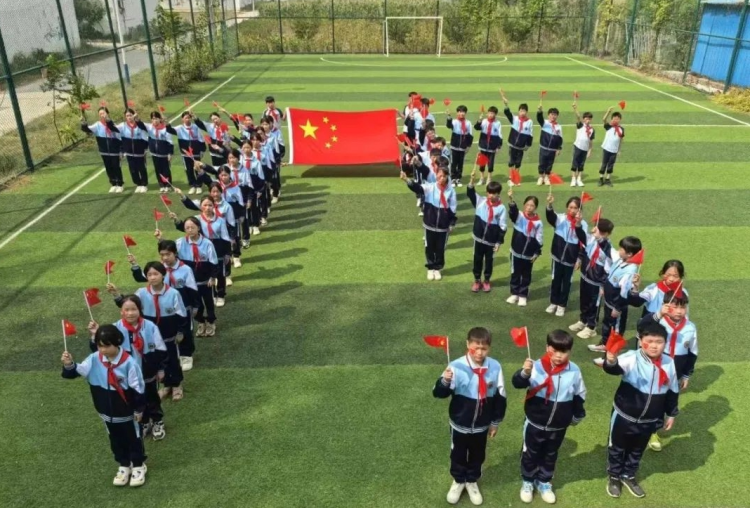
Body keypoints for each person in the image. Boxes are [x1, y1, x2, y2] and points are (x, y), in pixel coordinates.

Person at [61, 325, 147, 487]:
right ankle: (124, 464)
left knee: (133, 438)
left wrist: (139, 409)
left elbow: (138, 388)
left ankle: (138, 465)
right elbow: (77, 371)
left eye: (107, 346)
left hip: (127, 413)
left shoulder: (129, 363)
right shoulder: (94, 359)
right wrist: (69, 364)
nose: (103, 350)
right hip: (106, 412)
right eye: (100, 346)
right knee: (115, 439)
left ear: (117, 343)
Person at [602, 320, 679, 499]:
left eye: (659, 342)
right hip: (624, 417)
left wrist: (671, 413)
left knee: (637, 450)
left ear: (665, 343)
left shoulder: (669, 362)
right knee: (617, 448)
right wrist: (611, 361)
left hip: (649, 419)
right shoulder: (632, 358)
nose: (654, 346)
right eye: (649, 341)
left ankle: (628, 475)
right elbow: (614, 369)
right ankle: (614, 476)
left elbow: (672, 390)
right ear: (640, 340)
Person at [433, 327, 507, 506]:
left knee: (478, 454)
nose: (479, 353)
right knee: (457, 453)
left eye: (484, 348)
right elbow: (438, 393)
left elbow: (500, 397)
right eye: (476, 348)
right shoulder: (455, 366)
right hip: (459, 423)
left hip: (482, 425)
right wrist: (445, 381)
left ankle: (472, 480)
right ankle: (459, 480)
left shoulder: (495, 367)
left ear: (489, 348)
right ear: (468, 344)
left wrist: (495, 422)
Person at [512, 330, 586, 504]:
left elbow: (579, 395)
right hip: (534, 423)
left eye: (564, 351)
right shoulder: (535, 367)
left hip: (558, 426)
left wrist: (577, 415)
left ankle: (544, 481)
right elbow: (517, 383)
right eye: (554, 350)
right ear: (547, 348)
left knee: (551, 454)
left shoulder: (574, 370)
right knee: (530, 453)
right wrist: (524, 373)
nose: (559, 355)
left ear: (570, 351)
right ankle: (528, 481)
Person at [88, 295, 168, 440]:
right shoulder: (115, 329)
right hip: (127, 375)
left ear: (140, 310)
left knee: (152, 397)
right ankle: (144, 422)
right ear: (121, 311)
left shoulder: (150, 327)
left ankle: (157, 421)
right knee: (136, 400)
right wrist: (96, 335)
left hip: (148, 372)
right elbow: (101, 351)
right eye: (126, 310)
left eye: (133, 309)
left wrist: (161, 368)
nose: (130, 313)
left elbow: (160, 349)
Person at [107, 262, 188, 401]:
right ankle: (166, 385)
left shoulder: (173, 293)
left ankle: (176, 384)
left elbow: (181, 314)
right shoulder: (141, 293)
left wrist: (181, 331)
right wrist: (116, 294)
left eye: (155, 274)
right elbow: (128, 305)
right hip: (149, 335)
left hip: (169, 335)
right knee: (157, 360)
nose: (152, 277)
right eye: (149, 274)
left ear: (163, 275)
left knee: (172, 359)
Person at [636, 290, 697, 452]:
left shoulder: (690, 328)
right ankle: (636, 423)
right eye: (674, 307)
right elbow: (641, 326)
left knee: (661, 402)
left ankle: (653, 432)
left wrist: (686, 374)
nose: (679, 311)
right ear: (665, 306)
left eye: (682, 307)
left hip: (673, 374)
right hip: (651, 370)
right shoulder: (658, 323)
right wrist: (658, 314)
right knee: (644, 397)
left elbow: (692, 353)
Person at [127, 241, 200, 372]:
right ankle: (168, 357)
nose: (165, 258)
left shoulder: (185, 269)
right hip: (163, 306)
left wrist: (195, 305)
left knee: (185, 330)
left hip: (183, 306)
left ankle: (186, 355)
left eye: (168, 254)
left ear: (175, 253)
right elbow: (141, 278)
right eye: (162, 255)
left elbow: (192, 288)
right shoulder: (158, 269)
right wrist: (134, 264)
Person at [156, 217, 219, 338]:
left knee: (208, 302)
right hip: (189, 282)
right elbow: (169, 250)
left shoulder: (207, 243)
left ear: (198, 228)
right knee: (195, 304)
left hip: (205, 281)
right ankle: (201, 322)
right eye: (187, 228)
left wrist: (212, 277)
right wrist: (160, 239)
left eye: (192, 227)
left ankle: (211, 322)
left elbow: (214, 261)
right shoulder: (180, 243)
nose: (190, 230)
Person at [589, 236, 643, 359]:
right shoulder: (621, 260)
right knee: (607, 325)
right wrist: (601, 239)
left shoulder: (630, 271)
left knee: (616, 331)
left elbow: (624, 293)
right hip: (609, 303)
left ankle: (610, 357)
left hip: (616, 307)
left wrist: (617, 308)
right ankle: (604, 344)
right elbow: (609, 251)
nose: (619, 250)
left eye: (622, 249)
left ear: (629, 254)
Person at [400, 167, 457, 281]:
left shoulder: (451, 191)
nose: (442, 178)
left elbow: (453, 209)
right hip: (429, 224)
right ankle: (430, 268)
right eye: (440, 175)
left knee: (440, 249)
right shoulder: (430, 187)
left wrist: (451, 223)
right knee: (429, 247)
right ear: (436, 175)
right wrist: (407, 180)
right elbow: (418, 188)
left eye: (444, 176)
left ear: (447, 177)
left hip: (443, 227)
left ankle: (437, 268)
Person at [570, 218, 614, 339]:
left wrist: (603, 285)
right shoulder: (591, 239)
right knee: (584, 300)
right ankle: (583, 320)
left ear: (607, 233)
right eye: (597, 229)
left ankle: (591, 327)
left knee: (594, 304)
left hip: (597, 282)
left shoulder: (608, 249)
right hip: (585, 277)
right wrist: (578, 223)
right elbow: (580, 235)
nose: (596, 232)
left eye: (600, 231)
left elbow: (608, 270)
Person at [545, 195, 587, 317]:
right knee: (555, 280)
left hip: (571, 259)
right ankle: (553, 302)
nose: (572, 210)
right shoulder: (560, 218)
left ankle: (562, 305)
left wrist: (579, 258)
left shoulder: (583, 224)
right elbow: (551, 217)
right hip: (557, 256)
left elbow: (583, 243)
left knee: (566, 283)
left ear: (579, 210)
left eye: (575, 208)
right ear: (567, 207)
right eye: (570, 207)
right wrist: (549, 205)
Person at [467, 173, 507, 292]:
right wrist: (471, 181)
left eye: (494, 193)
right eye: (489, 193)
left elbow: (503, 226)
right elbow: (470, 193)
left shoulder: (501, 208)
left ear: (498, 194)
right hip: (478, 239)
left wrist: (498, 242)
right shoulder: (481, 202)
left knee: (489, 262)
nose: (491, 195)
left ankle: (487, 280)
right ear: (486, 193)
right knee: (477, 260)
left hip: (491, 242)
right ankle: (477, 280)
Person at [506, 190, 543, 306]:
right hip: (516, 252)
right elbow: (513, 213)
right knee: (515, 273)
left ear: (535, 207)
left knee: (526, 275)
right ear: (524, 205)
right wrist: (511, 200)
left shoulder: (538, 223)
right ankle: (514, 293)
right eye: (527, 205)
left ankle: (523, 295)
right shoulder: (519, 216)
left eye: (532, 206)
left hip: (529, 254)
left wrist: (536, 252)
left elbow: (539, 239)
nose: (529, 207)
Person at [81, 107, 123, 193]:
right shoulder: (97, 125)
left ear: (107, 114)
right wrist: (84, 124)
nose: (102, 115)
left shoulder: (112, 124)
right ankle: (113, 184)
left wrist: (121, 150)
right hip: (104, 151)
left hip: (114, 151)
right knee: (108, 168)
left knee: (116, 167)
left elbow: (119, 137)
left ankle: (119, 184)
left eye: (103, 113)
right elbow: (87, 129)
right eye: (100, 114)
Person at [501, 90, 534, 187]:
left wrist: (528, 145)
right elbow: (507, 113)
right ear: (519, 111)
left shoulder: (529, 122)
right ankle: (511, 177)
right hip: (512, 144)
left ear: (526, 112)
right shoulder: (514, 119)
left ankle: (516, 177)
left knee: (518, 162)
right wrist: (506, 104)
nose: (522, 112)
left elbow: (530, 134)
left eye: (524, 111)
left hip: (521, 146)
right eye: (521, 111)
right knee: (511, 161)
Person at [174, 111, 207, 195]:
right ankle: (192, 185)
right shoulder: (179, 128)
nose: (187, 119)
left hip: (196, 153)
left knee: (197, 169)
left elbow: (201, 138)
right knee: (188, 170)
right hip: (185, 154)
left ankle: (199, 185)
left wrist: (202, 150)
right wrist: (165, 123)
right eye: (186, 118)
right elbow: (170, 130)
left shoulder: (196, 127)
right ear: (182, 119)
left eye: (189, 118)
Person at [143, 110, 176, 193]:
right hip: (154, 154)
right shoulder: (150, 127)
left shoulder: (165, 129)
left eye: (156, 118)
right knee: (158, 170)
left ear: (160, 119)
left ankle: (168, 185)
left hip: (164, 154)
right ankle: (161, 185)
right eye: (153, 119)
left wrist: (170, 153)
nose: (155, 120)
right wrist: (136, 118)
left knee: (166, 170)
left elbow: (170, 141)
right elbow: (140, 124)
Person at [118, 108, 150, 193]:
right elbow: (114, 129)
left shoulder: (139, 125)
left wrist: (145, 148)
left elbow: (145, 134)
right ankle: (138, 184)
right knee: (133, 169)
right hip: (129, 152)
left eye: (130, 115)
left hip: (139, 152)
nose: (129, 117)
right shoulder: (123, 126)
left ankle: (144, 184)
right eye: (127, 116)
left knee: (141, 168)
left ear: (134, 115)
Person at [445, 105, 474, 187]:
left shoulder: (468, 123)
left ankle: (458, 178)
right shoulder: (454, 121)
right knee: (453, 163)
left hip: (463, 147)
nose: (461, 113)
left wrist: (468, 146)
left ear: (465, 113)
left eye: (463, 112)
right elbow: (449, 125)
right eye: (460, 112)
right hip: (454, 146)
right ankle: (453, 178)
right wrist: (449, 116)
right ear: (457, 113)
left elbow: (470, 135)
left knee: (460, 163)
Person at [473, 106, 503, 185]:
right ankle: (482, 178)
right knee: (482, 164)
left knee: (490, 165)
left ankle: (489, 178)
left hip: (492, 147)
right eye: (489, 113)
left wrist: (498, 146)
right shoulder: (484, 121)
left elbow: (500, 135)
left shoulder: (498, 123)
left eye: (492, 113)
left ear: (495, 114)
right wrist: (479, 120)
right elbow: (476, 128)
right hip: (483, 146)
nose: (490, 115)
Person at [536, 104, 563, 186]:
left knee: (549, 164)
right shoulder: (545, 123)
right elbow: (539, 118)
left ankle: (547, 177)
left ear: (557, 116)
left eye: (555, 115)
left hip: (552, 149)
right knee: (542, 163)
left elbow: (560, 138)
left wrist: (559, 148)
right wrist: (540, 111)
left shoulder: (559, 127)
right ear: (548, 115)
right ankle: (541, 177)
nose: (553, 116)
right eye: (552, 114)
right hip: (543, 147)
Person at [599, 107, 625, 187]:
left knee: (611, 165)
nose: (616, 120)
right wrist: (608, 111)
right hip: (606, 148)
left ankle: (607, 179)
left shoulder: (621, 129)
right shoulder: (609, 126)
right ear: (612, 119)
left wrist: (619, 150)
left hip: (614, 150)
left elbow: (621, 140)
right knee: (604, 164)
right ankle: (601, 179)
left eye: (618, 118)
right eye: (614, 118)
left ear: (620, 119)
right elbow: (604, 119)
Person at [570, 103, 595, 187]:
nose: (588, 120)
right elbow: (578, 117)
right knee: (575, 163)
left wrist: (590, 151)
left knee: (581, 164)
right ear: (584, 119)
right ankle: (573, 179)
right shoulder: (580, 125)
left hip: (585, 149)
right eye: (586, 119)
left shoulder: (592, 129)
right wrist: (575, 109)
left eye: (589, 119)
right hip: (578, 146)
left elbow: (591, 141)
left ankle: (579, 179)